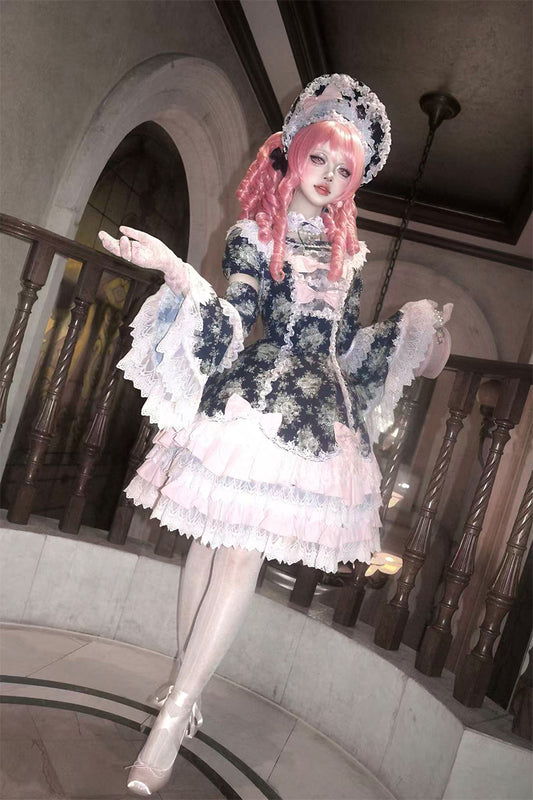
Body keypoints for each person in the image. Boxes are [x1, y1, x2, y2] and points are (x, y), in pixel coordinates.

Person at [99, 73, 451, 795]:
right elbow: (235, 319)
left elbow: (346, 347)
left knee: (237, 556)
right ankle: (182, 687)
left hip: (316, 415)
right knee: (206, 544)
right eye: (319, 158)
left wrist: (414, 334)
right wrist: (176, 273)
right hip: (255, 398)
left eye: (344, 170)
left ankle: (176, 711)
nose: (328, 178)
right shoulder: (253, 235)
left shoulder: (349, 255)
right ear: (295, 151)